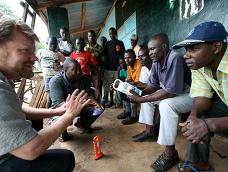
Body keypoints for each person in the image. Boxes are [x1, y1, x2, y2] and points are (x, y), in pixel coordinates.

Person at [0, 17, 91, 172]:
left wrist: (59, 111)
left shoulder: (5, 79)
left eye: (34, 52)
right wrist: (68, 115)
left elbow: (18, 110)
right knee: (64, 159)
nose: (35, 58)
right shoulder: (55, 81)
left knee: (36, 125)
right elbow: (31, 149)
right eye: (24, 51)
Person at [128, 33, 192, 171]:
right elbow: (153, 86)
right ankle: (149, 130)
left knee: (166, 105)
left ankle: (170, 153)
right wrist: (137, 92)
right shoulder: (157, 62)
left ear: (164, 46)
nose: (150, 53)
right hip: (175, 93)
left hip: (189, 94)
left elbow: (170, 92)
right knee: (149, 100)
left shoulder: (175, 58)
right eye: (149, 50)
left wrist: (141, 99)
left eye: (153, 49)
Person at [172, 21, 228, 172]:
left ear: (216, 47)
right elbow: (202, 96)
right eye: (186, 49)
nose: (186, 55)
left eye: (194, 48)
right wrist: (193, 115)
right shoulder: (199, 64)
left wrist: (209, 125)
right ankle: (199, 163)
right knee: (199, 117)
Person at [49, 58, 103, 141]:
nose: (79, 72)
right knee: (62, 129)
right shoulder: (55, 81)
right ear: (65, 70)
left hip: (80, 106)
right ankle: (62, 132)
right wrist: (72, 111)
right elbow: (58, 103)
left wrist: (95, 102)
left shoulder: (84, 77)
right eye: (74, 70)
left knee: (98, 109)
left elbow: (89, 94)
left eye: (79, 69)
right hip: (63, 109)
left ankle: (82, 124)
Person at [131, 46, 155, 141]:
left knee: (146, 100)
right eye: (138, 56)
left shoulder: (156, 65)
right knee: (141, 96)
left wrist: (140, 88)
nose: (140, 59)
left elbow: (156, 86)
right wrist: (132, 87)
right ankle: (148, 129)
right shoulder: (144, 68)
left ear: (150, 55)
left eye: (142, 56)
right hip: (152, 91)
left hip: (164, 92)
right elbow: (142, 84)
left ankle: (149, 131)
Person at [103, 27, 125, 107]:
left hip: (117, 68)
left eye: (112, 33)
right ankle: (111, 100)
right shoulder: (107, 44)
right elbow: (104, 56)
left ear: (115, 33)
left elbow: (123, 55)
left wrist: (120, 65)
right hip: (109, 68)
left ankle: (119, 101)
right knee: (110, 86)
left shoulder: (120, 43)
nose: (111, 35)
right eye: (110, 34)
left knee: (119, 85)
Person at [120, 49, 142, 125]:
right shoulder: (129, 65)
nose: (127, 60)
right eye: (125, 58)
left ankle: (134, 115)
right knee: (121, 89)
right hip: (135, 84)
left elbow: (138, 82)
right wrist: (123, 85)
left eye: (129, 57)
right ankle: (128, 111)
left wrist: (127, 85)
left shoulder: (138, 64)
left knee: (131, 91)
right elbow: (129, 79)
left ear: (134, 57)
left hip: (143, 86)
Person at [85, 30, 104, 94]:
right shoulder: (85, 48)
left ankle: (99, 101)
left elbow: (103, 60)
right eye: (89, 36)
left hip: (96, 71)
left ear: (95, 37)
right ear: (87, 37)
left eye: (92, 36)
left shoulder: (99, 48)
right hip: (87, 72)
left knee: (98, 87)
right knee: (88, 88)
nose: (91, 38)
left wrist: (96, 60)